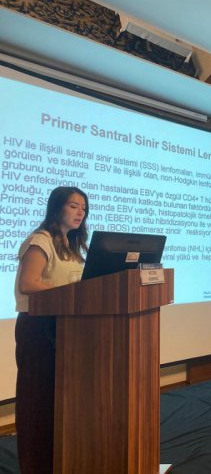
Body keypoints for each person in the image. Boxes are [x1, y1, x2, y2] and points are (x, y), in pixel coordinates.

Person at [14, 186, 89, 474]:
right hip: (38, 327)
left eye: (83, 207)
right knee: (38, 401)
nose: (80, 212)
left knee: (60, 401)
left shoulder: (72, 246)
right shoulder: (41, 240)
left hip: (65, 327)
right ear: (57, 208)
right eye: (73, 206)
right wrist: (68, 294)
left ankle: (61, 460)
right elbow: (28, 283)